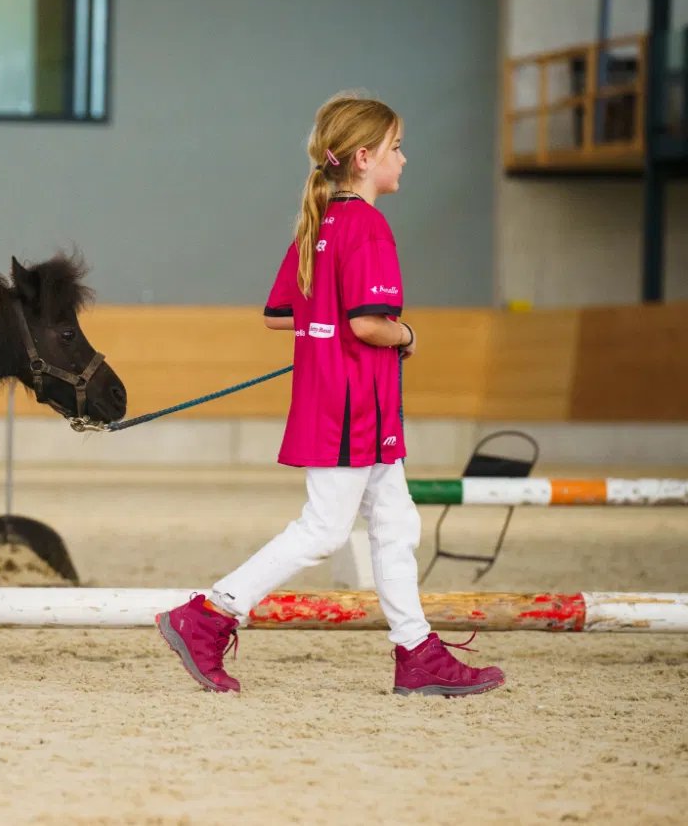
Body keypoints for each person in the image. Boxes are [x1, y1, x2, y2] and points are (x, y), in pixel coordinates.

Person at [156, 92, 505, 696]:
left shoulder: (318, 224)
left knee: (396, 525)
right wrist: (408, 335)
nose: (404, 158)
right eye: (396, 148)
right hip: (352, 405)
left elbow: (279, 314)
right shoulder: (368, 228)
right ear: (364, 158)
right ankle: (209, 614)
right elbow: (369, 324)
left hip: (351, 403)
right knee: (323, 530)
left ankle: (416, 651)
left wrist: (322, 327)